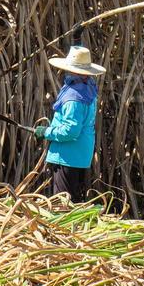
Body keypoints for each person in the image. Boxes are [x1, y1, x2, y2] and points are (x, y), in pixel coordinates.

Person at [35, 44, 105, 202]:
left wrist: (46, 132)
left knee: (63, 203)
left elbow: (71, 130)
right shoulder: (88, 89)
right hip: (80, 155)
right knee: (73, 200)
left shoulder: (74, 96)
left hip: (67, 156)